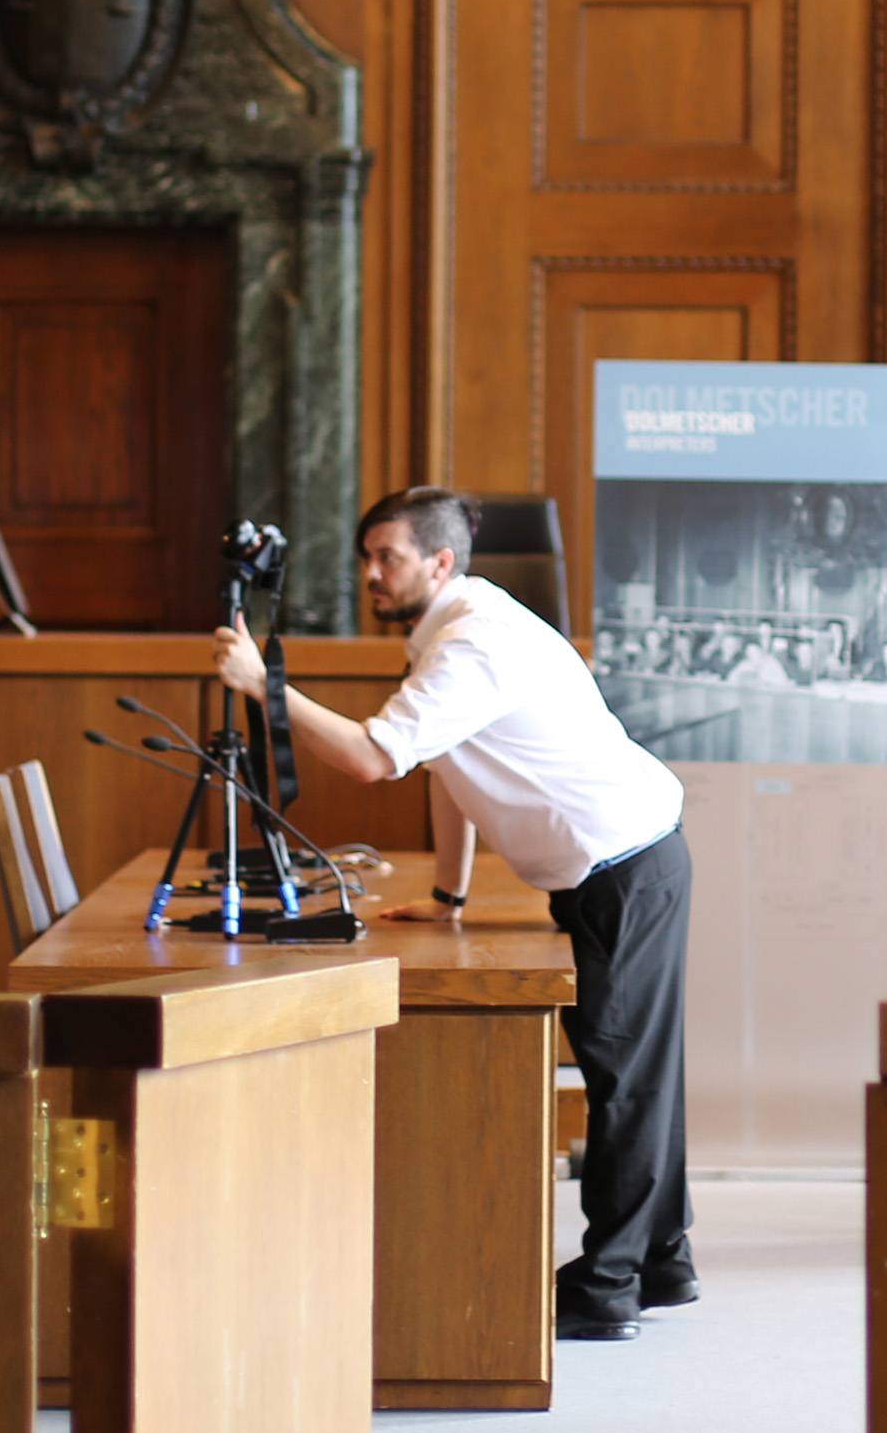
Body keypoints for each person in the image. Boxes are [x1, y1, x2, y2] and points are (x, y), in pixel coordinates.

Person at [215, 484, 696, 1340]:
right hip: (615, 864)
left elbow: (377, 759)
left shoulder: (474, 643)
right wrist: (448, 896)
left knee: (627, 1079)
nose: (370, 573)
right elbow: (451, 769)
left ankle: (612, 1286)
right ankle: (662, 1263)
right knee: (638, 1071)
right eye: (365, 557)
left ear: (439, 562)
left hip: (623, 866)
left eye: (386, 557)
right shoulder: (456, 626)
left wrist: (266, 685)